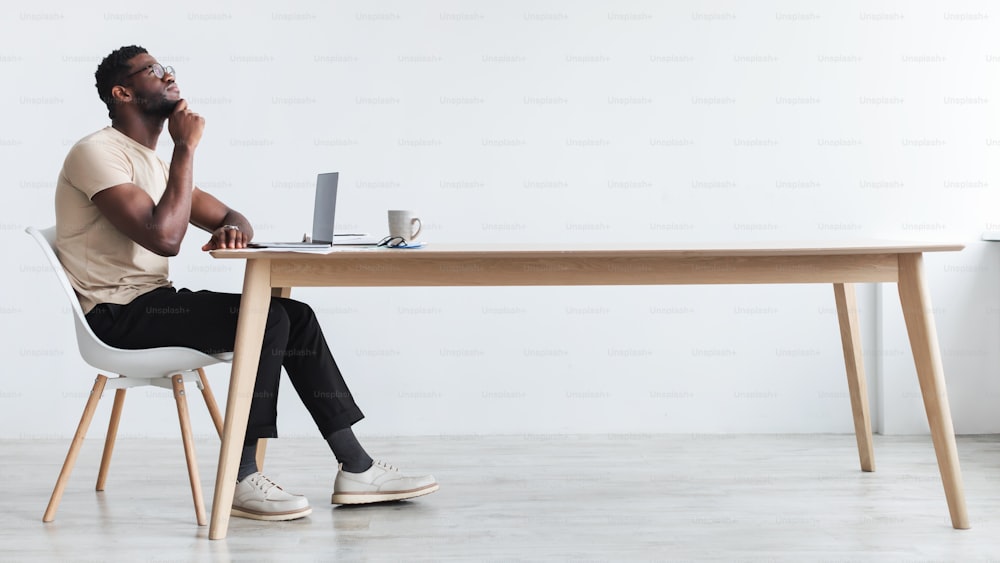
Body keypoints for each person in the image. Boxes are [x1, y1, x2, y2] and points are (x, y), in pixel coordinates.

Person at [54, 45, 438, 521]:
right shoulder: (97, 153)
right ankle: (240, 478)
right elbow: (165, 239)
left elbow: (233, 217)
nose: (170, 75)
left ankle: (356, 467)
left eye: (169, 66)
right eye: (154, 71)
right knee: (268, 318)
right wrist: (185, 147)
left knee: (293, 316)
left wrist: (230, 230)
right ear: (123, 92)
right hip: (116, 316)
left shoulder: (153, 163)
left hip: (154, 304)